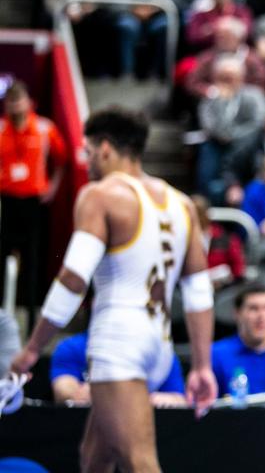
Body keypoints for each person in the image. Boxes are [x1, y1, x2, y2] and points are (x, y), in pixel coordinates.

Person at [9, 107, 217, 473]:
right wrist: (201, 365)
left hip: (118, 340)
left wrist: (31, 349)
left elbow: (73, 279)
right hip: (159, 343)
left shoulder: (101, 195)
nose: (86, 162)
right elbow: (199, 293)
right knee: (95, 459)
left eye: (88, 152)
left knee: (139, 462)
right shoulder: (182, 203)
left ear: (105, 148)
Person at [0, 81, 67, 327]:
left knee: (33, 261)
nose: (15, 106)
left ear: (30, 102)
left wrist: (53, 187)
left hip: (33, 203)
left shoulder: (44, 128)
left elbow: (62, 160)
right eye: (11, 101)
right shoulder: (1, 130)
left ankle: (31, 319)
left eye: (20, 100)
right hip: (6, 202)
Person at [51, 331, 187, 408]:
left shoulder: (161, 354)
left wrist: (104, 394)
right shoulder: (72, 346)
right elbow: (65, 391)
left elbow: (180, 400)